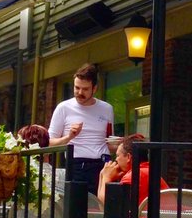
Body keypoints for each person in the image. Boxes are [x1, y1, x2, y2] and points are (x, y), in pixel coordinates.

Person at [48, 63, 116, 196]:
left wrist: (119, 145)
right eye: (76, 87)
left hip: (103, 163)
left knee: (101, 208)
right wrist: (69, 137)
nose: (79, 93)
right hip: (77, 164)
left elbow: (109, 141)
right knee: (77, 209)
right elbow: (49, 142)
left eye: (85, 89)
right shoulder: (64, 108)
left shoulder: (107, 108)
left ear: (94, 88)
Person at [98, 133, 168, 207]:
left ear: (128, 157)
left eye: (118, 155)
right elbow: (103, 207)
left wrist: (106, 177)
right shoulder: (145, 171)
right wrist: (102, 175)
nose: (116, 159)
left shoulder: (135, 175)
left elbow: (109, 206)